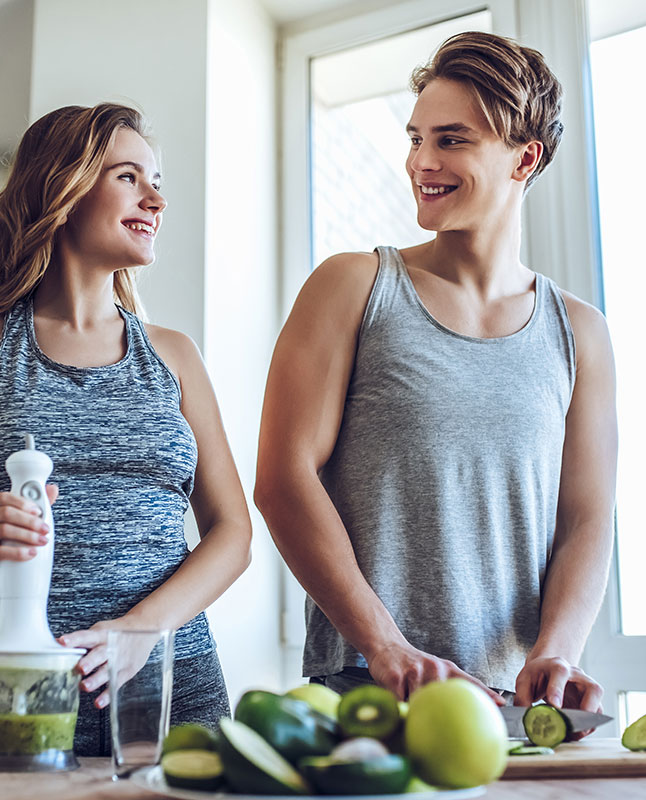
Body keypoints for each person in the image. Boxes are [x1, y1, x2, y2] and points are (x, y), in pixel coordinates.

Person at [254, 31, 617, 728]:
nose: (422, 161)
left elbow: (585, 519)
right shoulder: (354, 286)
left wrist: (559, 651)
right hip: (369, 685)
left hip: (512, 707)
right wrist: (386, 647)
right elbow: (282, 478)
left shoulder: (580, 333)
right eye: (416, 137)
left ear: (525, 157)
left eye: (452, 140)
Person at [0, 103, 252, 757]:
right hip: (14, 683)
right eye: (128, 177)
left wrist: (141, 630)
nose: (156, 199)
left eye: (158, 180)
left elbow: (233, 533)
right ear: (63, 187)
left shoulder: (175, 355)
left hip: (173, 684)